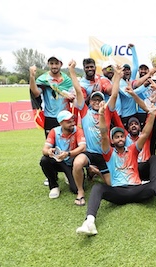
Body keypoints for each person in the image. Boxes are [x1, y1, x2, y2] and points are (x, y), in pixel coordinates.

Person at [75, 101, 156, 235]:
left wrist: (152, 115)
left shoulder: (133, 149)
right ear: (112, 141)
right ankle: (89, 222)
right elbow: (103, 133)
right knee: (97, 187)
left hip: (137, 189)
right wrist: (101, 115)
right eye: (116, 137)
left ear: (125, 138)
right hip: (118, 192)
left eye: (121, 136)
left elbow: (146, 133)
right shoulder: (108, 153)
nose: (120, 139)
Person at [68, 60, 122, 206]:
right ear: (90, 102)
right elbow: (78, 90)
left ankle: (95, 171)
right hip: (90, 152)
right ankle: (80, 192)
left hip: (105, 154)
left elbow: (115, 94)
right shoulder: (85, 111)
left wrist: (117, 75)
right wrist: (72, 71)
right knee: (78, 163)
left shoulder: (108, 112)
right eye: (94, 100)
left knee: (113, 187)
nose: (97, 102)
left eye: (100, 99)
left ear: (103, 101)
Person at [29, 56, 75, 186]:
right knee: (51, 146)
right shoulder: (43, 79)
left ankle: (68, 172)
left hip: (65, 117)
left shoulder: (66, 80)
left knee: (67, 145)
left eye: (56, 63)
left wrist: (72, 97)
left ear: (61, 64)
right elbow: (36, 93)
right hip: (50, 117)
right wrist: (32, 77)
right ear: (48, 64)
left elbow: (73, 94)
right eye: (51, 63)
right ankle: (52, 174)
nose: (54, 66)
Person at [40, 110, 86, 199]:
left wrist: (68, 154)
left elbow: (83, 147)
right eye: (69, 122)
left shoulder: (78, 130)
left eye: (72, 120)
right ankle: (53, 186)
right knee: (44, 160)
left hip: (72, 163)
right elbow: (44, 150)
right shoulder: (54, 131)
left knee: (75, 189)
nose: (72, 123)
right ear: (61, 123)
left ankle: (70, 174)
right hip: (59, 161)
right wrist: (49, 151)